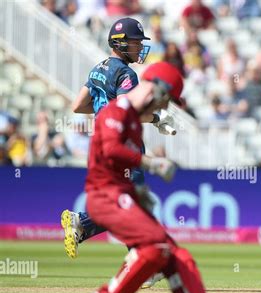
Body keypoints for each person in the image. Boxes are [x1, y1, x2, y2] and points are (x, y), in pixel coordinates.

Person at [87, 61, 239, 293]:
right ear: (156, 89)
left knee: (178, 255)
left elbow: (120, 166)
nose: (163, 108)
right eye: (165, 99)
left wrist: (139, 193)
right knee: (157, 246)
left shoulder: (133, 121)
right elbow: (111, 149)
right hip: (104, 197)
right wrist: (152, 163)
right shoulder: (117, 111)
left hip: (122, 195)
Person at [61, 17, 176, 264]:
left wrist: (105, 113)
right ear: (120, 43)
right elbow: (128, 111)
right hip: (122, 144)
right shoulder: (125, 74)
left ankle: (82, 224)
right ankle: (142, 261)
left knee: (123, 201)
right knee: (131, 201)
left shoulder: (97, 68)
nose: (139, 48)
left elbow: (78, 105)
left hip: (102, 144)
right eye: (135, 42)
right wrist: (157, 117)